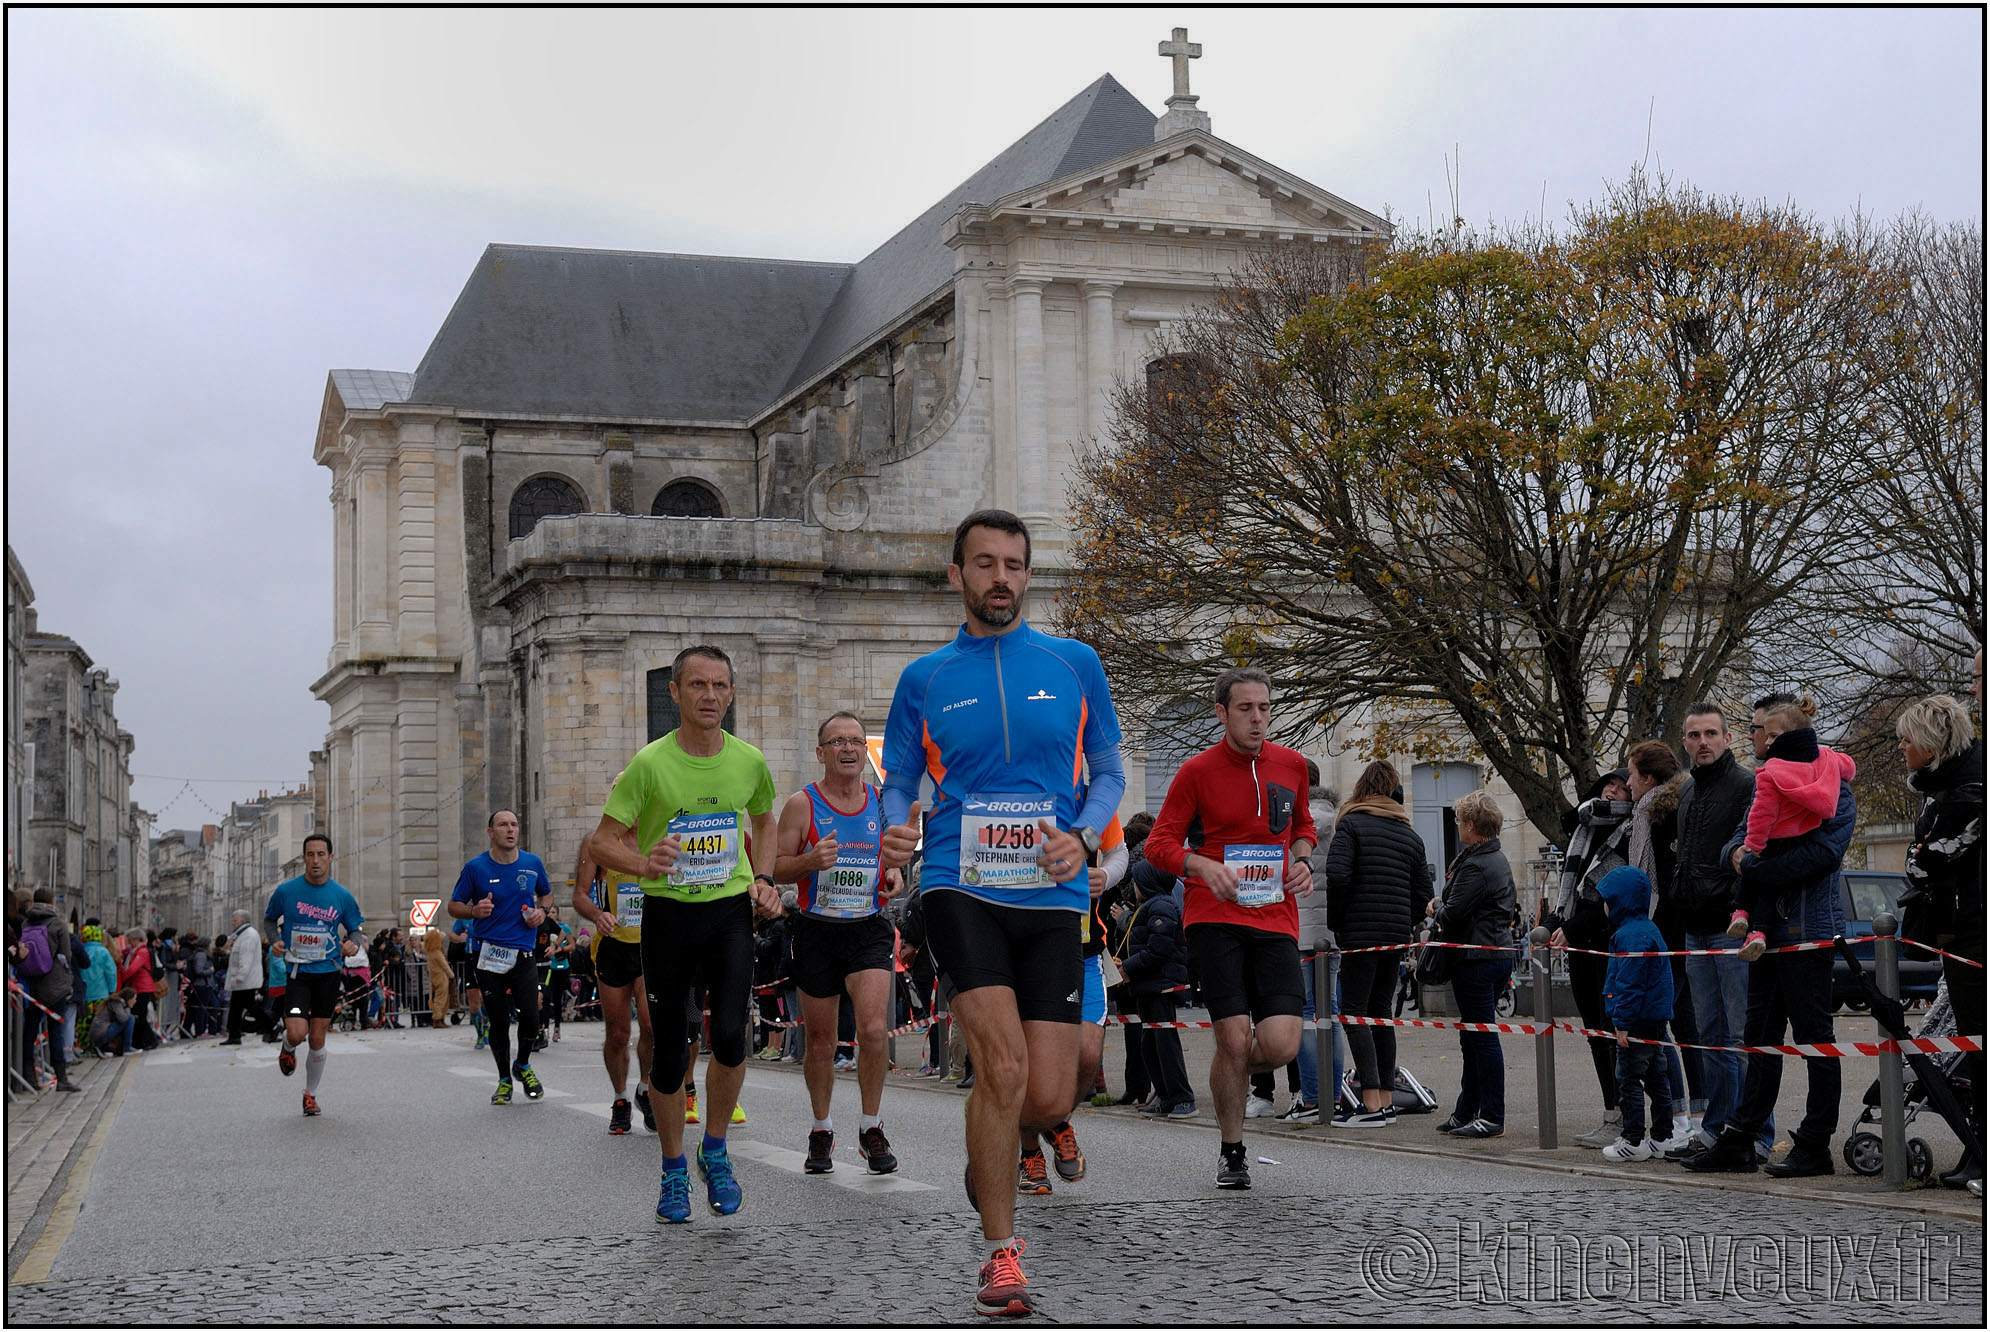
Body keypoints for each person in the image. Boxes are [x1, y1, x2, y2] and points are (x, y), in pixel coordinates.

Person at [878, 509, 1125, 1316]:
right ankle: (999, 1252)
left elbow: (1110, 770)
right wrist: (894, 821)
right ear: (957, 576)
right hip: (961, 882)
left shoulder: (1075, 662)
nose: (1000, 578)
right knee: (1005, 1069)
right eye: (984, 563)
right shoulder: (924, 679)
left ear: (1028, 574)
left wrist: (1085, 837)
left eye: (1014, 564)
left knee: (1051, 1095)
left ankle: (992, 1152)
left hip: (1052, 890)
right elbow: (900, 778)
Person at [586, 643, 783, 1225]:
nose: (711, 696)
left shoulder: (749, 761)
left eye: (720, 686)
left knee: (729, 1035)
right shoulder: (648, 765)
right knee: (669, 1055)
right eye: (698, 685)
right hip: (668, 917)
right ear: (674, 693)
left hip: (727, 913)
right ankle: (674, 1169)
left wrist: (765, 877)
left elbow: (765, 818)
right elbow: (601, 842)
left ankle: (714, 1150)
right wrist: (645, 863)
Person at [1144, 666, 1317, 1191]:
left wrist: (1303, 857)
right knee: (1237, 1037)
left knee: (1281, 1044)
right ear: (1221, 713)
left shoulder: (1291, 766)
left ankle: (1231, 1059)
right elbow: (1158, 845)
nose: (1258, 719)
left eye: (1264, 708)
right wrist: (1201, 867)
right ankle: (1232, 1149)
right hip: (1214, 917)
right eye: (1245, 709)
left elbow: (1303, 826)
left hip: (1276, 917)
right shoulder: (1196, 772)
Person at [1687, 696, 1855, 1179]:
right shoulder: (1766, 782)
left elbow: (1824, 854)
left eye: (1762, 730)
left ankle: (1816, 1142)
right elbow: (1734, 843)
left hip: (1807, 929)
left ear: (1783, 734)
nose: (1756, 739)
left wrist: (1757, 867)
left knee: (1814, 1039)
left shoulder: (1833, 783)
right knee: (1759, 1038)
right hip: (1761, 932)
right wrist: (1741, 858)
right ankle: (1742, 1136)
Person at [773, 710, 907, 1176]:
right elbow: (776, 867)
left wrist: (894, 873)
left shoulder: (883, 802)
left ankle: (871, 1126)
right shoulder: (801, 805)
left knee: (872, 1031)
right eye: (837, 742)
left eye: (854, 741)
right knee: (821, 1042)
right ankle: (821, 1127)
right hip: (816, 930)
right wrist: (810, 859)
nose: (848, 748)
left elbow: (897, 865)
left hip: (868, 927)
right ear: (821, 752)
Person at [1665, 702, 1772, 1165]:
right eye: (1694, 735)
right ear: (1685, 741)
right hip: (1695, 928)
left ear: (1728, 739)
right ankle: (1717, 1128)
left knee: (1740, 1035)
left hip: (1731, 925)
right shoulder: (1688, 792)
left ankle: (1756, 1134)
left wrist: (1728, 901)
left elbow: (1749, 854)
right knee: (1709, 1034)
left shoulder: (1747, 785)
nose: (1703, 742)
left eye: (1712, 733)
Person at [1894, 692, 1983, 1189]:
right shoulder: (1945, 787)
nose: (1902, 745)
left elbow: (1932, 857)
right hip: (1955, 927)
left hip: (1972, 927)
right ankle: (1977, 1149)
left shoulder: (1968, 788)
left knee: (1978, 1044)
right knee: (1972, 1045)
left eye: (1908, 737)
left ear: (1934, 742)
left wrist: (1921, 857)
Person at [1323, 760, 1431, 1128]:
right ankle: (1385, 1098)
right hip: (1394, 936)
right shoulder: (1409, 835)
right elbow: (1424, 894)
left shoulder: (1351, 824)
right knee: (1381, 1013)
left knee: (1354, 1013)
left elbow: (1336, 875)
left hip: (1359, 933)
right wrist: (1405, 923)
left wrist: (1338, 923)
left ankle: (1369, 1103)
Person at [1729, 702, 1857, 961]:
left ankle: (1747, 918)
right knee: (1760, 1002)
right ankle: (1748, 921)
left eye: (1770, 735)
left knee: (1805, 1000)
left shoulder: (1772, 775)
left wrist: (1754, 860)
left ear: (1793, 733)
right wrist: (1734, 852)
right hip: (1784, 927)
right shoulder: (1828, 766)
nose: (1763, 742)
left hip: (1808, 925)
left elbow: (1825, 854)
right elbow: (1743, 828)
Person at [1546, 769, 1632, 1149]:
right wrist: (1553, 922)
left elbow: (1617, 899)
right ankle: (1611, 1112)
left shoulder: (1629, 833)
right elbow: (1572, 889)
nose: (1613, 791)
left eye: (1623, 787)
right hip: (1582, 943)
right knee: (1596, 1034)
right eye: (1609, 785)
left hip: (1606, 943)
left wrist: (1574, 927)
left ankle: (1628, 1114)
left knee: (1614, 1032)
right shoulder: (1585, 827)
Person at [448, 810, 554, 1106]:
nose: (510, 830)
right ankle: (504, 1080)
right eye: (503, 825)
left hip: (522, 953)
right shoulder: (476, 868)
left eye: (514, 824)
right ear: (491, 832)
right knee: (497, 1021)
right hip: (488, 954)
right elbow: (453, 905)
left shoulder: (532, 864)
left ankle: (522, 1064)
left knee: (531, 1018)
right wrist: (473, 911)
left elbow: (547, 894)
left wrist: (541, 912)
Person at [573, 777, 658, 1137]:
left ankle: (646, 1088)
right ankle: (621, 1097)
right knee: (618, 1032)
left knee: (653, 1027)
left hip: (651, 945)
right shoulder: (597, 843)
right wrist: (597, 915)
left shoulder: (660, 837)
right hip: (613, 946)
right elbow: (579, 895)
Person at [1429, 791, 1515, 1139]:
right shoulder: (1493, 858)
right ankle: (1468, 1109)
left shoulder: (1478, 864)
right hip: (1492, 954)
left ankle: (1492, 1114)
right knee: (1473, 1037)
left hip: (1478, 958)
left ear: (1470, 824)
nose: (1456, 825)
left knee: (1481, 1038)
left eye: (1458, 819)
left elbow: (1453, 913)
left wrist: (1435, 906)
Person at [265, 834, 366, 1116]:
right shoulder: (286, 891)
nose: (316, 860)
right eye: (310, 855)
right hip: (298, 971)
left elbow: (355, 929)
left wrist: (352, 943)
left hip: (328, 972)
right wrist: (274, 939)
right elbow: (269, 920)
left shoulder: (342, 896)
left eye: (321, 854)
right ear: (304, 859)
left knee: (318, 1038)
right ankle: (287, 1046)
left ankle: (310, 1095)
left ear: (330, 858)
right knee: (298, 1033)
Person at [1625, 739, 1695, 1146]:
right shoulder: (1651, 811)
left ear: (1648, 778)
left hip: (1665, 931)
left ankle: (1679, 1113)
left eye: (1632, 774)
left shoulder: (1656, 814)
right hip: (1669, 930)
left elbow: (1654, 880)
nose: (1628, 782)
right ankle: (1690, 1112)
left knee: (1658, 1025)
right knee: (1683, 1024)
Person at [1594, 867, 1681, 1162]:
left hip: (1636, 1021)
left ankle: (1633, 1139)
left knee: (1628, 1078)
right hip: (1655, 1020)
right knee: (1658, 1079)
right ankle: (1662, 1136)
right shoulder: (1648, 929)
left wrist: (1622, 1022)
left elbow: (1629, 984)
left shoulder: (1629, 936)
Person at [1116, 859, 1194, 1116]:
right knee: (1149, 1044)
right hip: (1146, 985)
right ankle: (1165, 1095)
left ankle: (1182, 1097)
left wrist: (1128, 967)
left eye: (1137, 880)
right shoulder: (1146, 907)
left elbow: (1158, 949)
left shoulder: (1161, 905)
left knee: (1164, 1042)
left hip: (1160, 986)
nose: (1134, 885)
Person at [21, 888, 81, 1092]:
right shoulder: (57, 923)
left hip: (32, 985)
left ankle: (28, 1075)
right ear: (52, 901)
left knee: (29, 1030)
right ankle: (61, 1077)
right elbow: (66, 955)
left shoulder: (26, 922)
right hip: (55, 985)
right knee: (56, 1031)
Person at [220, 910, 272, 1045]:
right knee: (237, 1007)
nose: (232, 923)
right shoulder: (242, 935)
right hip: (243, 979)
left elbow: (246, 958)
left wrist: (241, 976)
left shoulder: (248, 935)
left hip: (245, 979)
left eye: (235, 920)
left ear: (242, 921)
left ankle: (271, 1026)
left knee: (249, 1006)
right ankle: (234, 1034)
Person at [116, 927, 160, 1049]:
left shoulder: (142, 952)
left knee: (139, 1016)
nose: (128, 943)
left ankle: (151, 1040)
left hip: (142, 987)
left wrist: (122, 976)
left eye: (129, 940)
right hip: (139, 986)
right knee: (138, 1015)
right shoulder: (136, 951)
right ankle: (142, 1041)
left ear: (135, 939)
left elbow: (133, 969)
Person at [90, 988, 138, 1056]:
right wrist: (128, 1007)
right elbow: (123, 1019)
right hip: (100, 1035)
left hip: (99, 1034)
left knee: (129, 1018)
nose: (135, 1001)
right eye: (134, 999)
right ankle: (127, 1048)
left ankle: (106, 1048)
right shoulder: (116, 1002)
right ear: (129, 999)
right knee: (130, 1018)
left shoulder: (115, 1002)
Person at [422, 925, 451, 1028]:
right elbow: (444, 965)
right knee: (441, 999)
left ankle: (439, 1019)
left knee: (438, 999)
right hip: (441, 977)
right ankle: (438, 1019)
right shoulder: (437, 953)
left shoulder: (430, 953)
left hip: (434, 977)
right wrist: (451, 975)